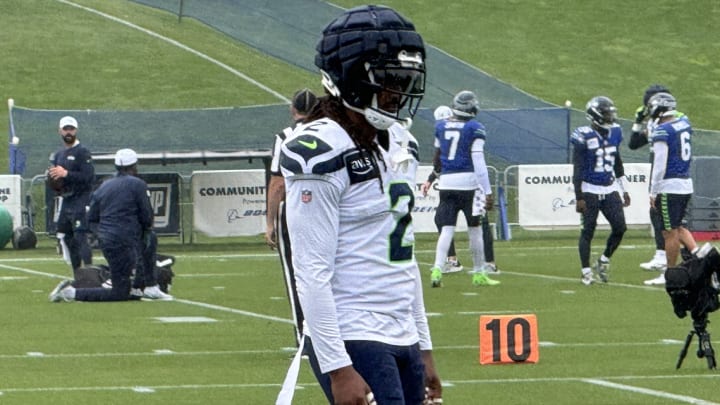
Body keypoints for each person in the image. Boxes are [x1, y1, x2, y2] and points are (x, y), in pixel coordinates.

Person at [279, 5, 441, 404]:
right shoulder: (319, 151)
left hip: (401, 329)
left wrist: (424, 346)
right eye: (388, 81)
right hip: (353, 332)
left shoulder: (401, 142)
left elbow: (404, 258)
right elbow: (311, 271)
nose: (398, 93)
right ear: (349, 79)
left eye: (405, 81)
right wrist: (337, 366)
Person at [49, 149, 173, 302]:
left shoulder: (104, 186)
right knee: (119, 292)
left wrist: (103, 234)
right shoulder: (138, 184)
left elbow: (92, 218)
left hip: (109, 240)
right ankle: (71, 293)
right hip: (123, 241)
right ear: (134, 166)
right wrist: (141, 231)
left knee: (149, 241)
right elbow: (147, 216)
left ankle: (146, 286)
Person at [428, 90, 500, 288]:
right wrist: (487, 191)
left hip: (446, 183)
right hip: (468, 183)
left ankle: (437, 268)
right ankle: (478, 273)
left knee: (447, 229)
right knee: (475, 230)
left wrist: (437, 174)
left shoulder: (441, 126)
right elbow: (478, 160)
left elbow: (437, 157)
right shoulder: (474, 128)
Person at [265, 88, 317, 347]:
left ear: (293, 109)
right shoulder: (332, 134)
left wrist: (269, 222)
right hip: (326, 211)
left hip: (295, 210)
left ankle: (305, 339)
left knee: (295, 274)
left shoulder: (286, 137)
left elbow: (277, 184)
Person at [571, 96, 630, 285]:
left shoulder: (615, 132)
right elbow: (577, 169)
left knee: (620, 227)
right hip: (589, 189)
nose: (611, 116)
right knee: (588, 231)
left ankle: (603, 260)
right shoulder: (583, 136)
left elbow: (617, 162)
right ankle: (586, 271)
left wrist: (624, 189)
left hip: (609, 187)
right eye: (606, 113)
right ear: (595, 115)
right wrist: (579, 196)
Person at [643, 92, 699, 286]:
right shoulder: (684, 124)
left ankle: (670, 273)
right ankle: (702, 262)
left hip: (670, 186)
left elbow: (660, 165)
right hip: (685, 183)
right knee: (679, 228)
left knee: (669, 232)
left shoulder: (663, 130)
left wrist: (653, 190)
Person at [628, 84, 675, 272]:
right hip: (659, 169)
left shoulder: (669, 123)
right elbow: (633, 144)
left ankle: (677, 257)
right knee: (657, 215)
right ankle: (662, 253)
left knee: (669, 219)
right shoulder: (656, 122)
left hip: (668, 172)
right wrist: (638, 122)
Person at [48, 116, 94, 278]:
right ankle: (77, 274)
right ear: (60, 131)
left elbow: (89, 177)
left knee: (81, 236)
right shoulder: (59, 154)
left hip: (80, 199)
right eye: (66, 129)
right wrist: (53, 179)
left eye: (71, 129)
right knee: (67, 238)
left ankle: (90, 273)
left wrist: (66, 174)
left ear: (76, 130)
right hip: (66, 200)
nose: (69, 132)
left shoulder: (82, 152)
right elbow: (57, 182)